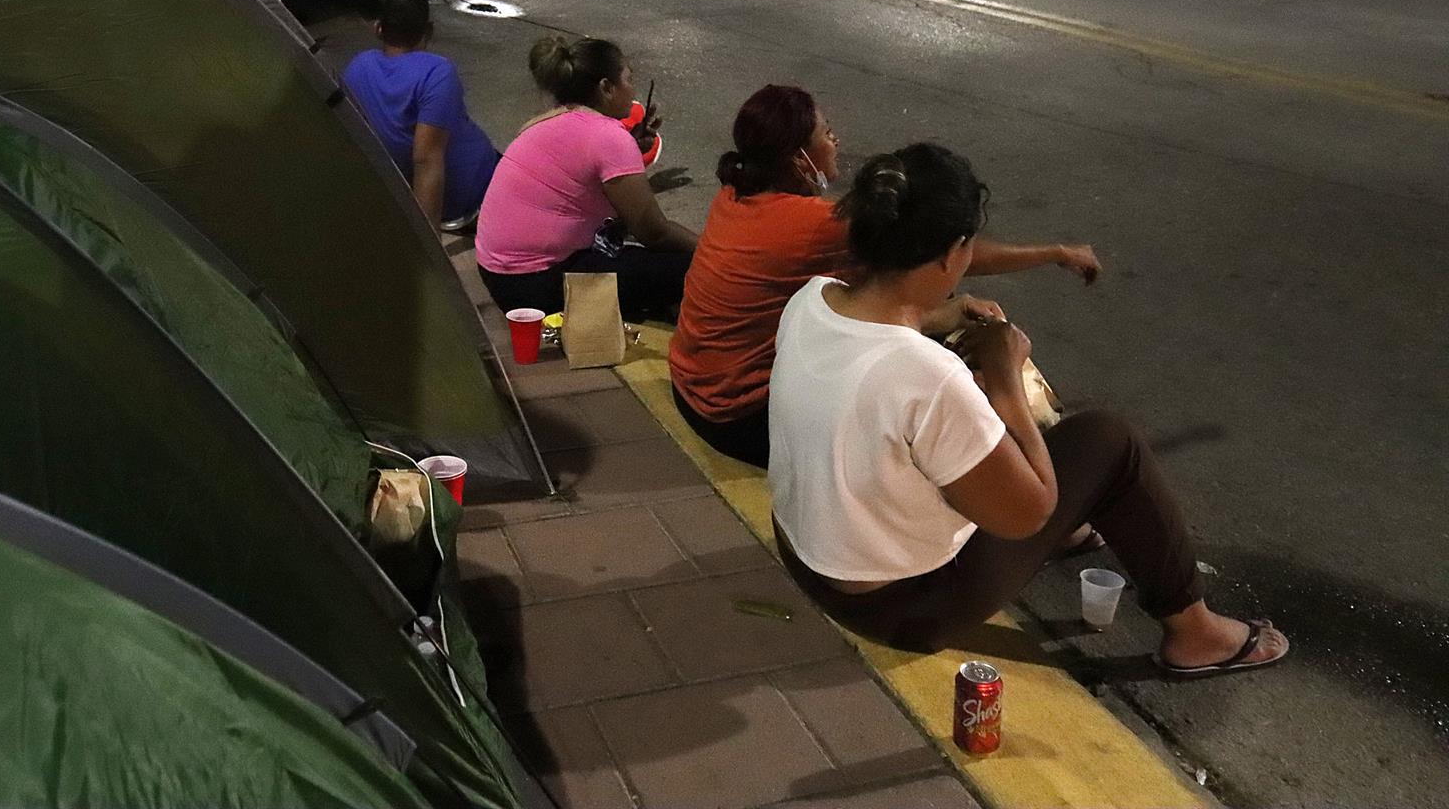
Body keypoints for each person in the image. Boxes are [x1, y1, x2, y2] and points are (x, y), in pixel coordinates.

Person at [768, 143, 1289, 676]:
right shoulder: (924, 375)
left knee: (1030, 435)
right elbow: (1028, 514)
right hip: (900, 608)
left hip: (805, 558)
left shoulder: (813, 299)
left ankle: (1079, 528)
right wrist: (1003, 380)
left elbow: (877, 362)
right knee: (1110, 441)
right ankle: (1196, 634)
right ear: (953, 253)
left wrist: (936, 319)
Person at [667, 86, 1101, 465]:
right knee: (932, 411)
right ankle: (1035, 483)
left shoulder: (736, 194)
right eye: (825, 133)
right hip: (739, 416)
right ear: (799, 159)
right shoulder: (817, 226)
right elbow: (945, 253)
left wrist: (940, 315)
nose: (836, 139)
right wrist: (1055, 252)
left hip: (691, 389)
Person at [474, 36, 695, 319]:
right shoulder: (608, 137)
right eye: (628, 79)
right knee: (689, 269)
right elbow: (654, 232)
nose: (633, 89)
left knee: (639, 261)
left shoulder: (549, 119)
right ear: (606, 87)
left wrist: (629, 150)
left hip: (499, 276)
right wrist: (713, 253)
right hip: (534, 286)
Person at [342, 0, 501, 230]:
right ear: (429, 29)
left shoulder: (358, 66)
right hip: (470, 198)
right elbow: (426, 160)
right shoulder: (436, 72)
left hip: (418, 190)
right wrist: (430, 245)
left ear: (379, 28)